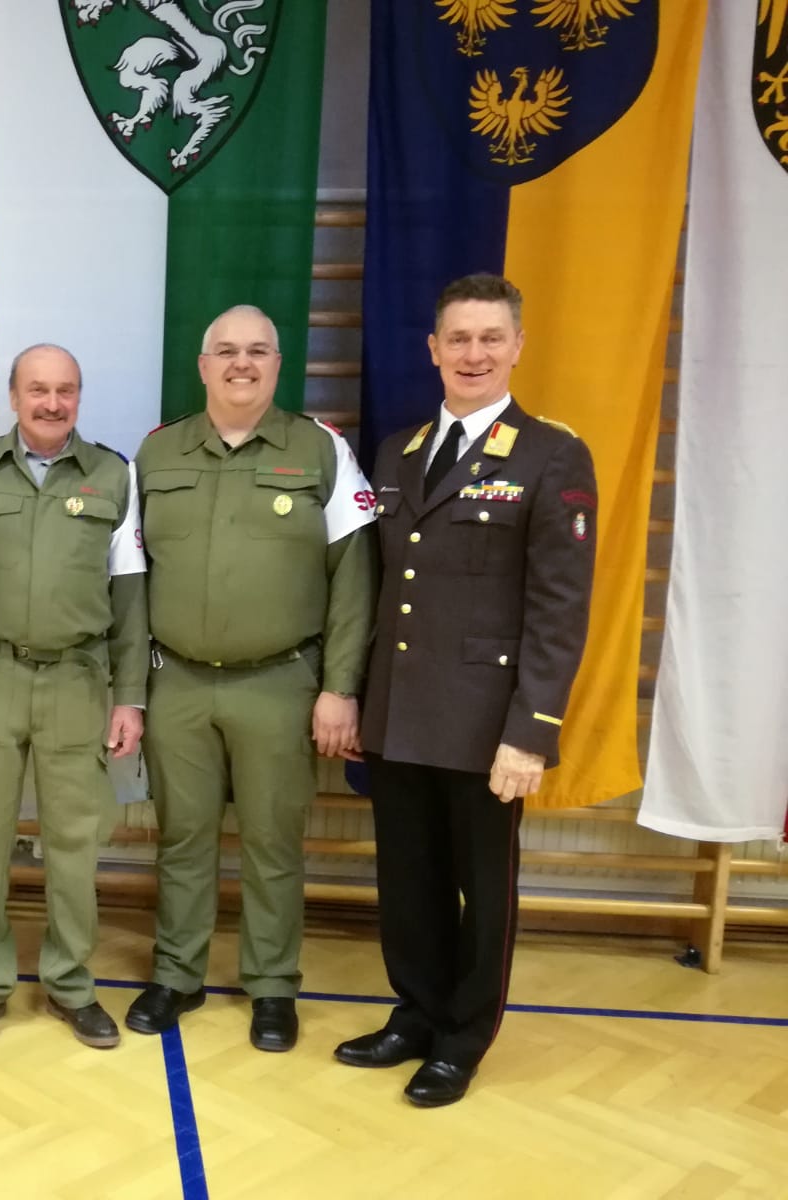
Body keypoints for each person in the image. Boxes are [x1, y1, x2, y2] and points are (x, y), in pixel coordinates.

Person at [335, 273, 596, 1107]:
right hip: (401, 710)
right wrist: (359, 695)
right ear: (433, 349)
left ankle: (462, 1038)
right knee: (407, 881)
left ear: (517, 346)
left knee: (482, 893)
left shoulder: (552, 455)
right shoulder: (400, 452)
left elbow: (560, 608)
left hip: (488, 725)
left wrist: (532, 731)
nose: (473, 353)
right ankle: (415, 1013)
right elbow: (388, 588)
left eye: (490, 338)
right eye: (459, 338)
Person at [125, 305, 378, 1051]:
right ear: (203, 366)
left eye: (258, 351)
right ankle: (177, 974)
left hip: (281, 683)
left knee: (274, 842)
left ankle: (272, 985)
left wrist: (339, 687)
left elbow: (355, 577)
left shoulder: (321, 449)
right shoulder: (157, 453)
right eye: (227, 351)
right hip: (177, 682)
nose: (242, 363)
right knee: (183, 839)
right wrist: (131, 690)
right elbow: (129, 578)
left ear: (278, 365)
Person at [0, 344, 147, 1050]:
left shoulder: (113, 474)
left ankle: (71, 984)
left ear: (79, 396)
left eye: (65, 390)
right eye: (38, 390)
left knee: (75, 844)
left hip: (78, 679)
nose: (52, 403)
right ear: (13, 396)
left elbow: (130, 594)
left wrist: (130, 697)